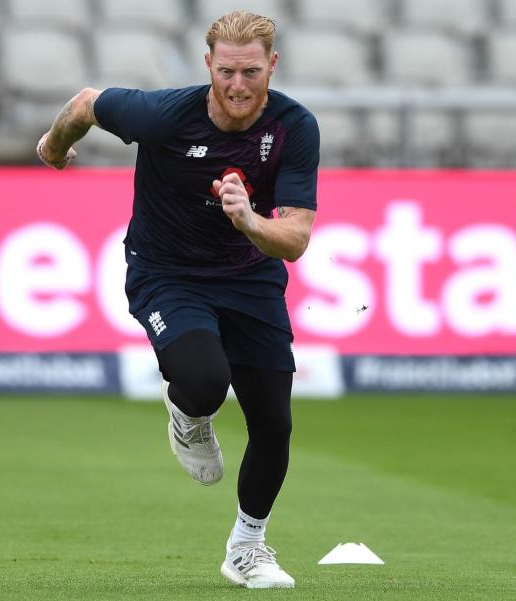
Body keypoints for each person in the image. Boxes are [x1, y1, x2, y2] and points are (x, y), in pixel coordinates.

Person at [36, 11, 319, 589]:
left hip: (251, 278)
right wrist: (53, 146)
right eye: (227, 71)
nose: (238, 86)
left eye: (251, 72)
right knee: (204, 381)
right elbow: (88, 103)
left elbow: (294, 240)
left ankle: (247, 547)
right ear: (208, 64)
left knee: (274, 422)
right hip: (168, 274)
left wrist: (249, 221)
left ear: (273, 66)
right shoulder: (163, 114)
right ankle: (188, 418)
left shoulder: (295, 127)